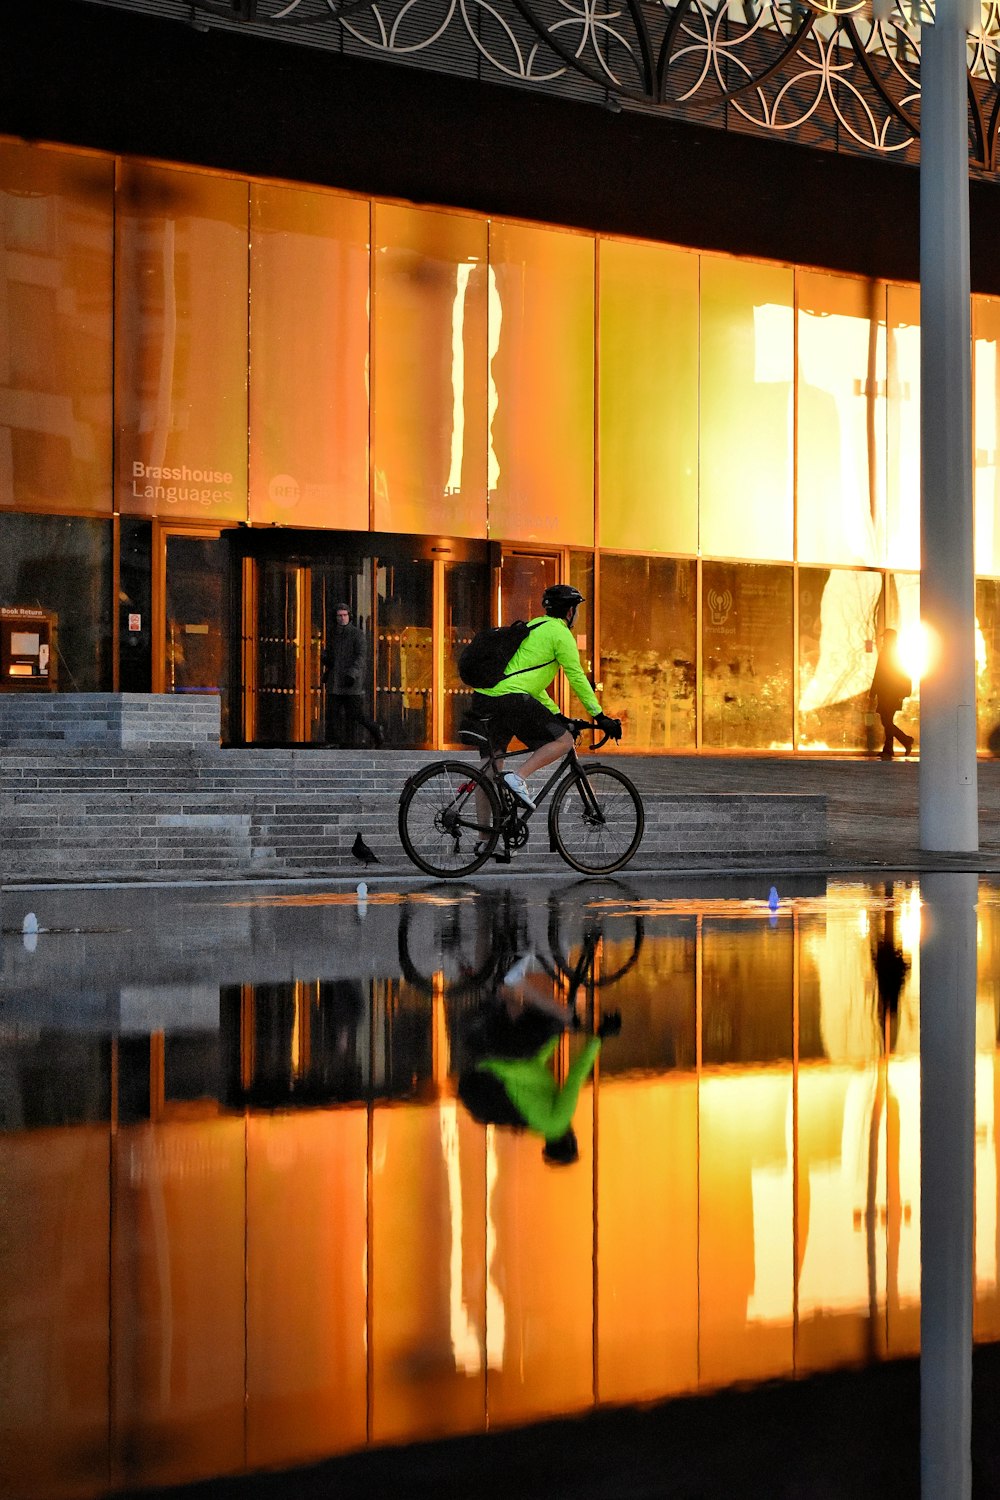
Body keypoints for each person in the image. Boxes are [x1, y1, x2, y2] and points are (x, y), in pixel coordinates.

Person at [460, 583, 621, 809]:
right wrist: (599, 715)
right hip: (511, 699)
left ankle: (484, 840)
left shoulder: (534, 626)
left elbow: (530, 682)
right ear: (569, 611)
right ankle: (518, 777)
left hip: (486, 698)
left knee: (488, 771)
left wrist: (557, 714)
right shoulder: (560, 634)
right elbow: (576, 677)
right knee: (564, 740)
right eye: (577, 610)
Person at [458, 1002, 622, 1166]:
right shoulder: (538, 1125)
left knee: (543, 1015)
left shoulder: (559, 1121)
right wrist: (559, 1033)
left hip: (500, 1064)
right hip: (489, 1068)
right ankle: (502, 989)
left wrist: (600, 1037)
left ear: (571, 1140)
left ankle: (512, 985)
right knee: (542, 1022)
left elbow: (575, 1078)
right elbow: (535, 1064)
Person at [321, 602, 383, 748]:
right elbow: (329, 653)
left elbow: (360, 657)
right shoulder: (333, 634)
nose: (342, 618)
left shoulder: (357, 634)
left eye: (344, 615)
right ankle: (333, 741)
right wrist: (325, 659)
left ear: (349, 616)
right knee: (332, 713)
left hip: (350, 683)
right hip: (336, 680)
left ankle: (375, 730)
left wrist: (352, 674)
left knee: (356, 714)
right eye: (339, 616)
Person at [868, 628, 914, 760]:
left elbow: (879, 675)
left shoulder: (889, 653)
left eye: (885, 638)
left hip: (888, 695)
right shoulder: (896, 653)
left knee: (886, 721)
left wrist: (873, 693)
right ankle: (888, 749)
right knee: (887, 721)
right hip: (891, 695)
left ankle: (906, 740)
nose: (883, 640)